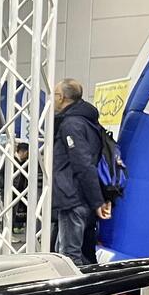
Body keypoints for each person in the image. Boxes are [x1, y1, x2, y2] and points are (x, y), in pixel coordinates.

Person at [52, 78, 107, 267]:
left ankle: (80, 286)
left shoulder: (71, 124)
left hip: (73, 198)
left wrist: (97, 201)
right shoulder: (89, 122)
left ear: (61, 97)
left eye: (55, 95)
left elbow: (83, 163)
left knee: (70, 258)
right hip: (80, 198)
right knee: (73, 253)